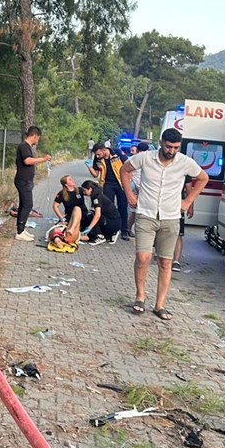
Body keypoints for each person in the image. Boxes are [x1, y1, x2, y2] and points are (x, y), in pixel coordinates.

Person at [119, 128, 208, 320]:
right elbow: (124, 170)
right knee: (143, 257)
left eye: (176, 147)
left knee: (165, 262)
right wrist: (129, 194)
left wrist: (188, 201)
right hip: (146, 214)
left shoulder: (184, 162)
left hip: (170, 217)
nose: (172, 151)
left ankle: (160, 305)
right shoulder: (145, 158)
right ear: (161, 143)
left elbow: (203, 178)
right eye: (169, 146)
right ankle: (140, 297)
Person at [13, 126, 50, 241]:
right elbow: (27, 161)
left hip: (26, 180)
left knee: (24, 205)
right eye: (37, 138)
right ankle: (20, 232)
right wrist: (44, 159)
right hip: (23, 181)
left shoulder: (27, 147)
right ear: (34, 136)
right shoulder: (23, 146)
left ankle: (21, 229)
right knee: (28, 205)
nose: (37, 141)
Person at [87, 142, 129, 241]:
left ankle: (124, 230)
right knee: (107, 209)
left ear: (104, 150)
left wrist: (128, 180)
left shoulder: (117, 153)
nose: (97, 156)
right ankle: (109, 230)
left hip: (120, 183)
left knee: (123, 207)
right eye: (96, 155)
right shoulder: (97, 159)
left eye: (98, 154)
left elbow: (128, 165)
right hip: (107, 185)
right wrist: (89, 167)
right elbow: (95, 174)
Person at [80, 180, 122, 244]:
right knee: (90, 213)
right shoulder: (98, 195)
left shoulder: (97, 198)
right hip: (113, 221)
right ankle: (109, 234)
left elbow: (97, 215)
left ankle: (99, 236)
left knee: (90, 215)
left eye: (85, 190)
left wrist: (89, 227)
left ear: (90, 189)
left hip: (112, 222)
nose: (84, 192)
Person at [171, 177, 195, 272]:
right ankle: (168, 259)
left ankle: (176, 261)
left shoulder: (185, 169)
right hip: (167, 204)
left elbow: (189, 190)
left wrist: (190, 206)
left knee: (178, 234)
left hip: (178, 205)